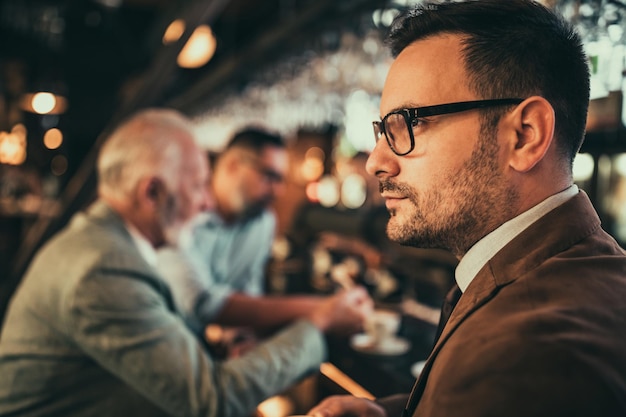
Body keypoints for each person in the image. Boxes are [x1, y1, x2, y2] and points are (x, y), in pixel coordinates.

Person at [308, 1, 626, 416]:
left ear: (525, 136)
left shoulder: (524, 354)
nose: (376, 162)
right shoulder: (586, 266)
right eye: (383, 129)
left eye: (409, 123)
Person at [0, 108, 373, 417]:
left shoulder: (104, 244)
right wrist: (318, 321)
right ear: (152, 192)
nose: (206, 203)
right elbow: (212, 401)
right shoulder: (103, 269)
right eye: (197, 186)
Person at [157, 128, 333, 342]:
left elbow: (249, 289)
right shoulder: (183, 213)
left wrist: (242, 334)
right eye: (269, 176)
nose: (278, 191)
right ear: (232, 165)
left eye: (281, 180)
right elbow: (201, 303)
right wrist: (323, 309)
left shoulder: (263, 221)